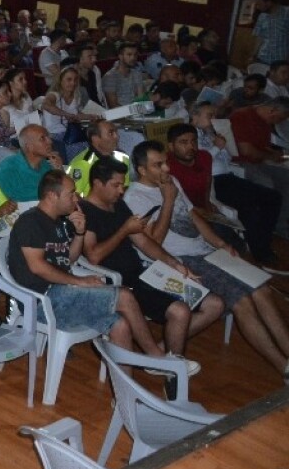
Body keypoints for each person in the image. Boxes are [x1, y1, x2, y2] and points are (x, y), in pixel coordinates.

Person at [124, 141, 289, 380]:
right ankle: (282, 366)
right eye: (158, 165)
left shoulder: (171, 183)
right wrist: (168, 200)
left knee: (262, 290)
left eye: (165, 163)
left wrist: (219, 243)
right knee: (241, 300)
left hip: (206, 252)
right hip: (178, 260)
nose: (166, 169)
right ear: (142, 170)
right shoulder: (134, 197)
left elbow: (194, 217)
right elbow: (153, 244)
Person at [7, 170, 198, 367]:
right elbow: (37, 267)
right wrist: (80, 282)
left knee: (120, 325)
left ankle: (124, 394)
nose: (76, 198)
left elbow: (67, 260)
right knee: (124, 296)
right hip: (42, 300)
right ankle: (158, 360)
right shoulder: (30, 222)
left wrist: (80, 233)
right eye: (71, 194)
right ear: (52, 196)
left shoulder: (60, 223)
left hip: (64, 296)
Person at [81, 157, 223, 366]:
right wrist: (124, 230)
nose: (121, 191)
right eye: (116, 185)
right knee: (180, 311)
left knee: (214, 304)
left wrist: (173, 263)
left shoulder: (117, 205)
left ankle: (163, 357)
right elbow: (93, 256)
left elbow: (142, 241)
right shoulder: (85, 211)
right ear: (97, 183)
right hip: (119, 282)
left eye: (123, 185)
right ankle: (171, 369)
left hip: (143, 272)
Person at [165, 123, 282, 269]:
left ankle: (256, 257)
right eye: (183, 142)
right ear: (171, 146)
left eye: (193, 141)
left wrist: (207, 201)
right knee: (221, 243)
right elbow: (173, 198)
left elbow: (207, 179)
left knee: (237, 244)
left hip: (205, 210)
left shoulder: (204, 157)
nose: (190, 146)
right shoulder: (167, 166)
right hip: (185, 214)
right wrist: (195, 210)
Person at [229, 98, 289, 239]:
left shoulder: (265, 121)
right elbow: (246, 151)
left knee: (286, 177)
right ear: (272, 111)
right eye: (279, 118)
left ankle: (280, 224)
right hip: (241, 163)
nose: (278, 123)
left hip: (259, 161)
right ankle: (261, 230)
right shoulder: (242, 116)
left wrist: (277, 155)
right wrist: (271, 156)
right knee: (267, 185)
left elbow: (263, 146)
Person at [0, 124, 63, 202]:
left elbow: (60, 190)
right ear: (29, 147)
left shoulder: (46, 165)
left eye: (48, 137)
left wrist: (59, 171)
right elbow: (15, 200)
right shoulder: (8, 170)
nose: (50, 141)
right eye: (42, 138)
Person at [66, 119, 131, 196]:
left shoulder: (123, 158)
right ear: (95, 139)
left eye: (116, 132)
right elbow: (73, 196)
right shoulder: (83, 163)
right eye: (111, 133)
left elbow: (125, 186)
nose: (117, 136)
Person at [102, 42, 149, 108]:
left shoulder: (136, 73)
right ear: (120, 56)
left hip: (137, 112)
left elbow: (141, 99)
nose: (133, 58)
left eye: (135, 55)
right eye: (129, 55)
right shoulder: (110, 77)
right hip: (119, 115)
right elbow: (113, 106)